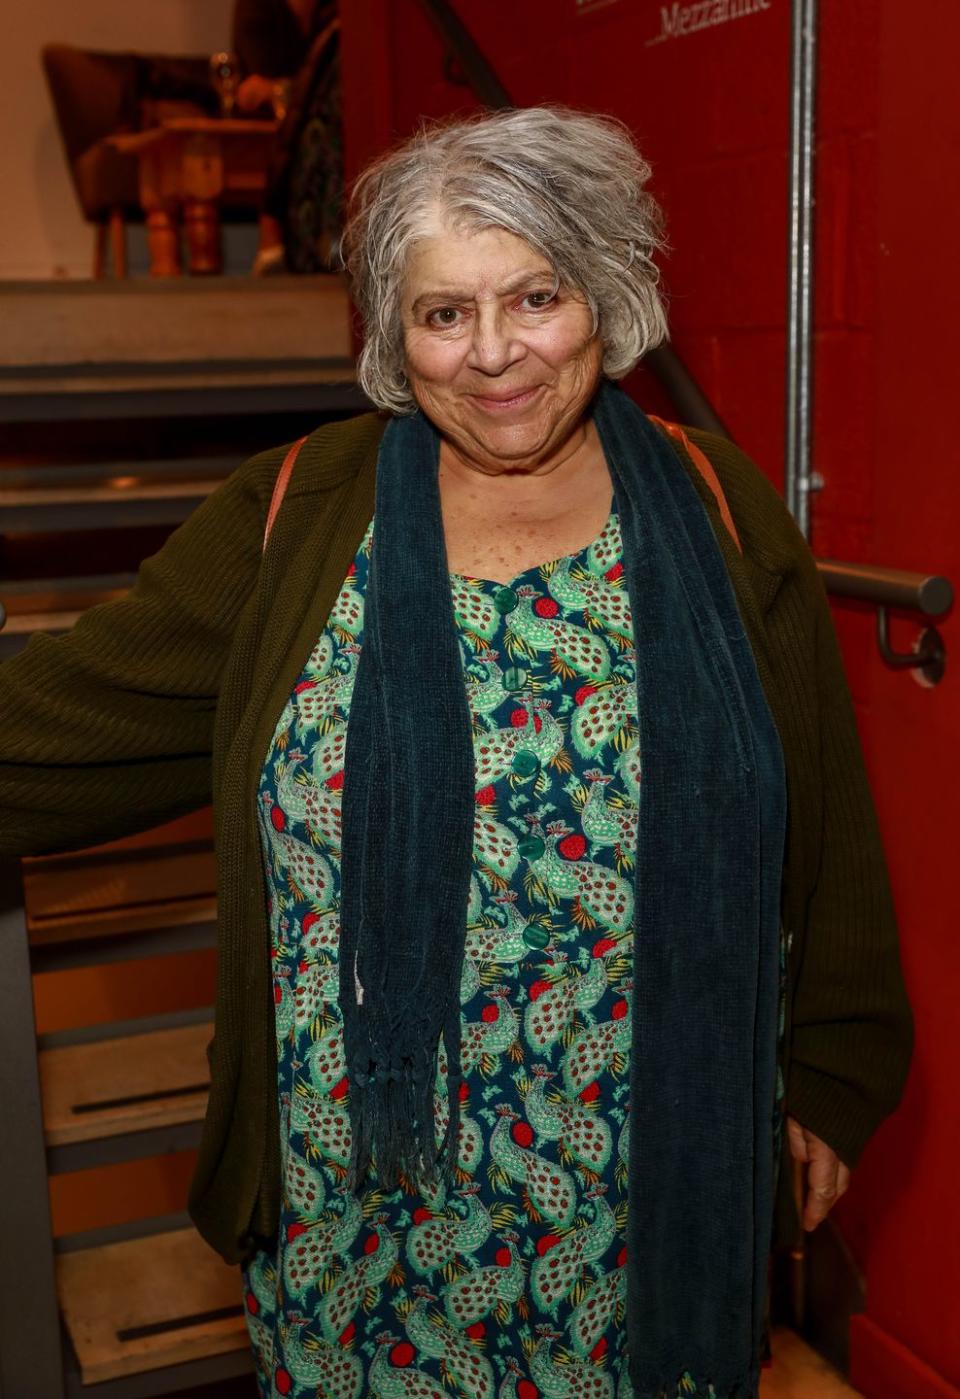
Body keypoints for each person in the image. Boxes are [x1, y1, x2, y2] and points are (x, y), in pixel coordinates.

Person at [0, 108, 912, 1397]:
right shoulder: (298, 514)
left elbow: (818, 811)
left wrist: (832, 1064)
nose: (494, 358)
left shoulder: (717, 510)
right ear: (390, 335)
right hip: (358, 1188)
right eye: (442, 315)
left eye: (534, 297)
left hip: (637, 1178)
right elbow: (60, 729)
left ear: (606, 293)